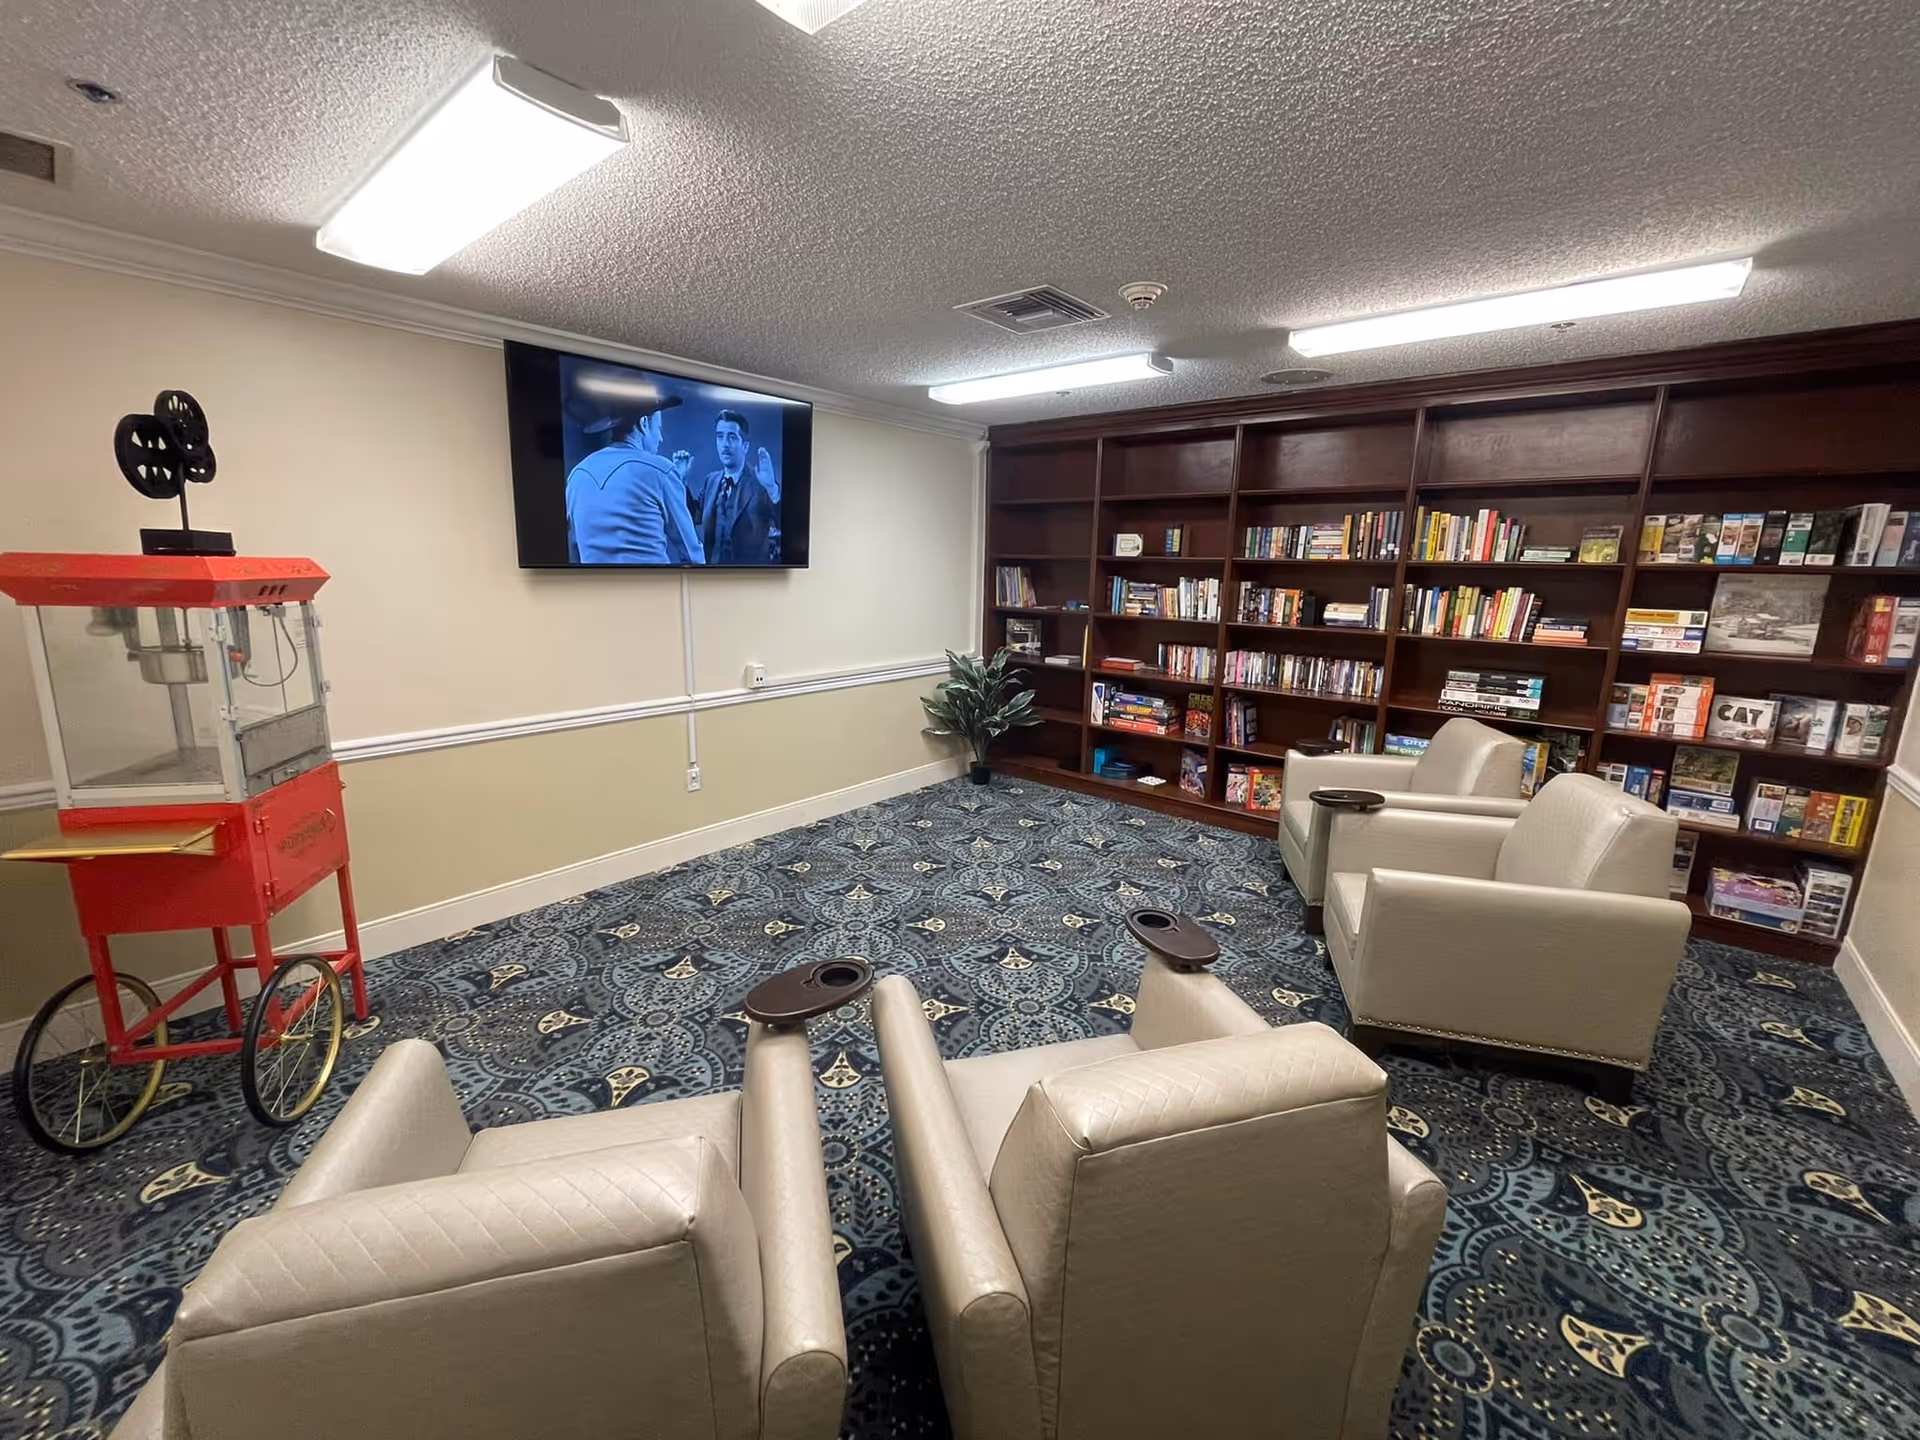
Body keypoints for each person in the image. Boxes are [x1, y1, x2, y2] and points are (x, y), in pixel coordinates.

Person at [565, 398, 705, 565]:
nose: (660, 438)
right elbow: (693, 556)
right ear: (644, 424)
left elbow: (573, 553)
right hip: (653, 582)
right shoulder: (660, 470)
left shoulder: (577, 475)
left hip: (593, 582)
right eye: (659, 429)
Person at [690, 410, 780, 564]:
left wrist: (772, 489)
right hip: (708, 575)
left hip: (751, 576)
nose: (725, 444)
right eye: (720, 437)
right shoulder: (710, 481)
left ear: (745, 446)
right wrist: (681, 480)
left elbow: (787, 526)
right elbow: (693, 517)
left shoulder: (761, 483)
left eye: (732, 437)